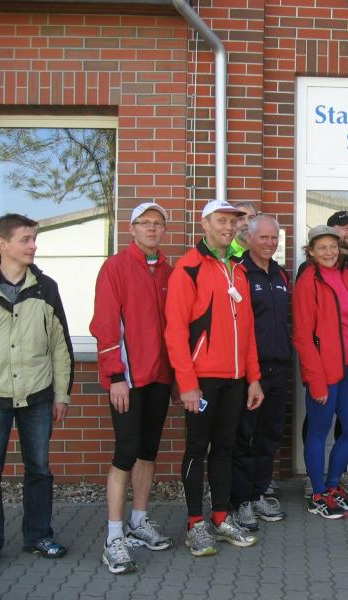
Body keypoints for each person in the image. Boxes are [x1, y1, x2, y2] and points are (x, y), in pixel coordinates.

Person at [164, 199, 264, 556]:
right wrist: (187, 384)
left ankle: (221, 517)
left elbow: (247, 329)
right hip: (202, 380)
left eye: (232, 221)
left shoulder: (238, 269)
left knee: (225, 449)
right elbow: (175, 332)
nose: (227, 227)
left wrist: (253, 378)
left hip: (235, 379)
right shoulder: (188, 268)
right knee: (197, 448)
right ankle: (195, 524)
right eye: (220, 220)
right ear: (204, 224)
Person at [90, 202, 174, 574]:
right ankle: (114, 536)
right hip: (127, 378)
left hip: (159, 377)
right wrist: (115, 376)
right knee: (125, 452)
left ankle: (139, 520)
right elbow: (106, 325)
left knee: (147, 451)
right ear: (132, 228)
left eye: (158, 223)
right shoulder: (116, 267)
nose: (152, 229)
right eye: (145, 223)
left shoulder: (169, 271)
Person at [0, 213, 73, 571]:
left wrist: (61, 395)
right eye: (25, 239)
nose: (33, 246)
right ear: (2, 244)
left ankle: (38, 535)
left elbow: (60, 346)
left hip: (37, 396)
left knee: (39, 469)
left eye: (34, 238)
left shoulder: (46, 287)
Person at [297, 210, 348, 497]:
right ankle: (318, 493)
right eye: (322, 248)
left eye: (332, 247)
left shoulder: (347, 275)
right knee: (318, 430)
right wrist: (315, 379)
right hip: (323, 371)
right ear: (311, 252)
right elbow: (303, 336)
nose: (328, 252)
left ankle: (332, 484)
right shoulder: (308, 280)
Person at [230, 215, 290, 531]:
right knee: (244, 437)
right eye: (263, 237)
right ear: (249, 238)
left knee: (270, 436)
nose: (269, 243)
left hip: (279, 369)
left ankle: (257, 494)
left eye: (273, 238)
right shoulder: (239, 272)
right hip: (250, 373)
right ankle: (240, 501)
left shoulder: (281, 275)